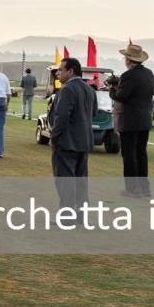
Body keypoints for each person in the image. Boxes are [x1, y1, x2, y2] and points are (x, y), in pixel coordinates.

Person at [49, 57, 96, 211]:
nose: (58, 74)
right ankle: (81, 214)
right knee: (80, 181)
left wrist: (54, 137)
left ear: (71, 71)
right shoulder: (89, 89)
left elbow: (61, 117)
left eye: (61, 70)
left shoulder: (67, 89)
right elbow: (93, 113)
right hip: (83, 141)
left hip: (67, 142)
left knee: (65, 182)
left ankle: (67, 216)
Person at [111, 43, 154, 198]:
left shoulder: (128, 76)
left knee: (129, 155)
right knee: (141, 154)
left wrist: (112, 89)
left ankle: (132, 189)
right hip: (144, 119)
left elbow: (121, 97)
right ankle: (144, 188)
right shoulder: (149, 74)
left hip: (129, 120)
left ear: (128, 59)